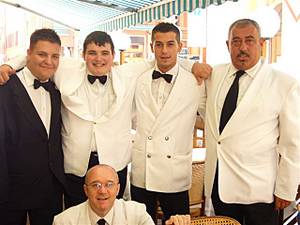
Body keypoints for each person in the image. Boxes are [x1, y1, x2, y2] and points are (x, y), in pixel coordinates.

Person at [0, 31, 211, 209]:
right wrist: (9, 65)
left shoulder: (128, 74)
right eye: (92, 53)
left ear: (113, 56)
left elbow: (162, 58)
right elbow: (37, 54)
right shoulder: (65, 69)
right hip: (75, 165)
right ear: (83, 55)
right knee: (76, 216)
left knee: (112, 217)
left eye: (104, 53)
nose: (98, 59)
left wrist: (192, 65)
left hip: (113, 164)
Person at [204, 18, 300, 225]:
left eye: (249, 40)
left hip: (260, 190)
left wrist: (286, 189)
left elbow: (293, 144)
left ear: (261, 44)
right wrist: (192, 65)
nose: (243, 48)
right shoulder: (214, 75)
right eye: (236, 42)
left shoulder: (284, 83)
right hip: (220, 184)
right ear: (227, 45)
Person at [130, 22, 206, 222]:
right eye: (159, 44)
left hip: (174, 173)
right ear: (152, 46)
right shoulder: (139, 78)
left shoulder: (196, 82)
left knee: (179, 222)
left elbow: (209, 118)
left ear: (180, 47)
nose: (164, 51)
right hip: (142, 171)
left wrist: (191, 64)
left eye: (170, 44)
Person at [0, 29, 66, 225]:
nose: (49, 61)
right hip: (11, 191)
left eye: (55, 56)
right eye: (42, 54)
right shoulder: (5, 87)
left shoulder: (56, 89)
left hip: (49, 191)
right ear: (28, 53)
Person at [53, 164, 191, 225]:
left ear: (118, 189)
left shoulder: (137, 213)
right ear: (85, 190)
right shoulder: (64, 221)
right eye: (96, 185)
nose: (102, 191)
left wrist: (176, 222)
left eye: (109, 184)